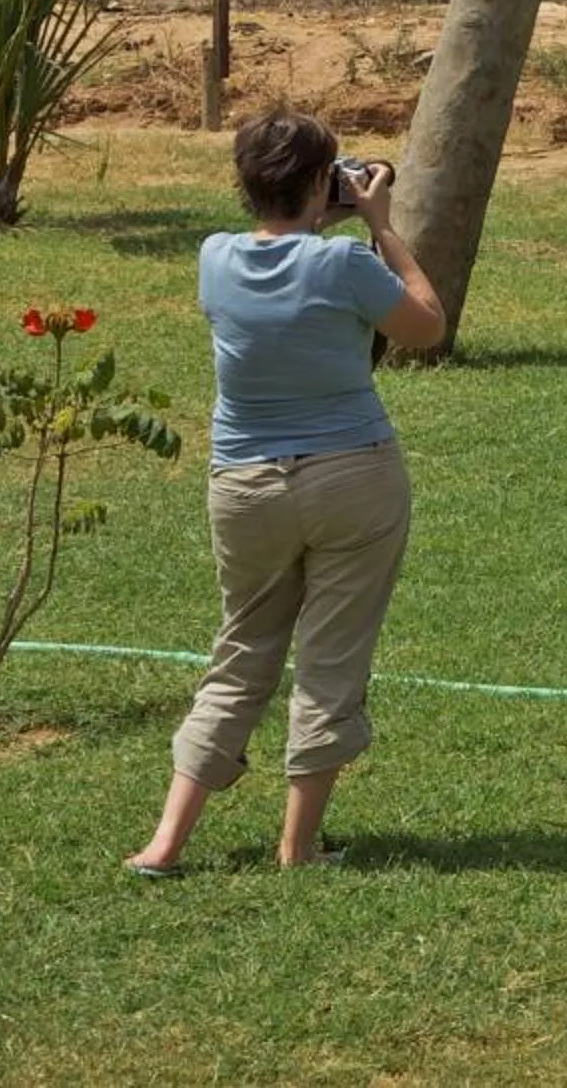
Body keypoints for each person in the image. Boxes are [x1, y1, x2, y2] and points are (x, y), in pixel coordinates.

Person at [125, 110, 445, 876]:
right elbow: (425, 326)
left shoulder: (213, 259)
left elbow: (281, 251)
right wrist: (381, 221)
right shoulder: (345, 265)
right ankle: (298, 848)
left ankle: (165, 844)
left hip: (244, 486)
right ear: (316, 181)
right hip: (353, 477)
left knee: (241, 653)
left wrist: (316, 211)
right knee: (330, 660)